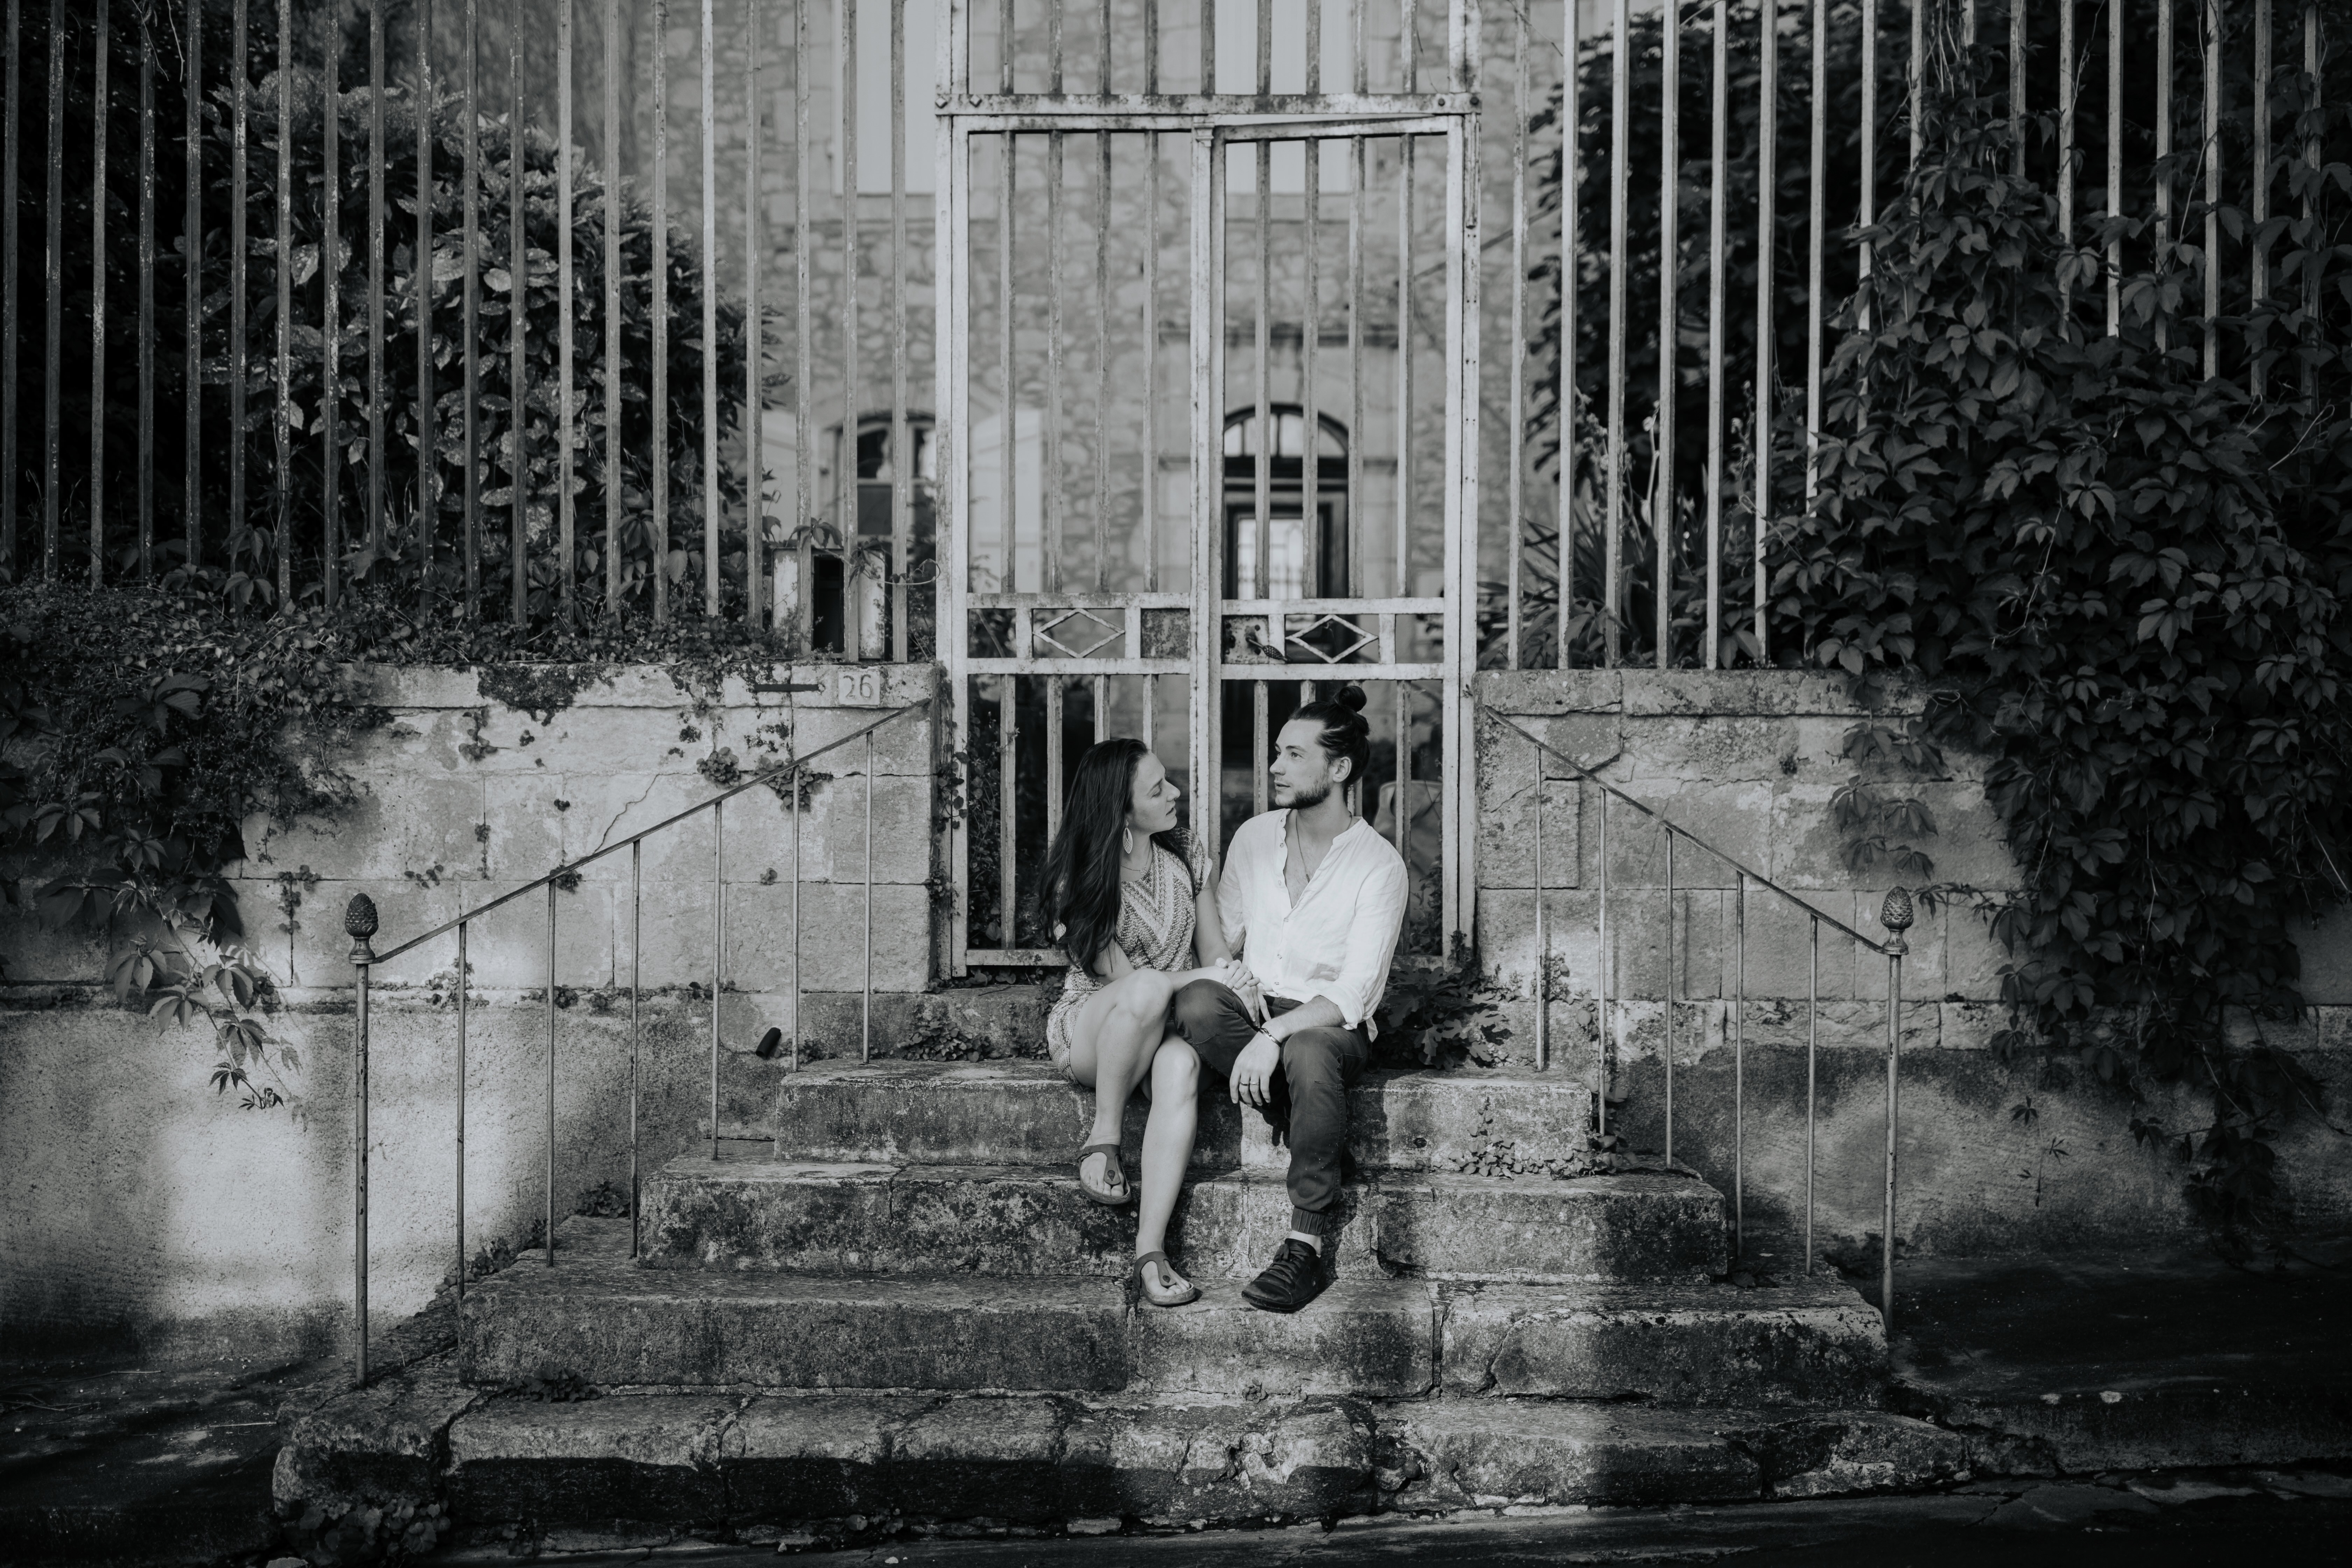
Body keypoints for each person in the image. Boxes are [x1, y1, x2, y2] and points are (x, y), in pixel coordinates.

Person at [1168, 685, 1409, 1314]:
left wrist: (1272, 1036)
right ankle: (1316, 1126)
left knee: (1307, 1051)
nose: (1275, 766)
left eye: (1294, 756)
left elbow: (1355, 993)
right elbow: (1224, 943)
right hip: (1253, 1009)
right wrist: (1238, 995)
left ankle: (1305, 1248)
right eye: (1278, 752)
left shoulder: (1379, 866)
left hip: (1328, 1027)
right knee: (1196, 1003)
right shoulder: (1254, 837)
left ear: (1339, 769)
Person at [1040, 738, 1246, 1309]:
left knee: (1180, 1067)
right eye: (1158, 790)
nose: (1175, 793)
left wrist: (1231, 975)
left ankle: (1150, 1252)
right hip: (1098, 1029)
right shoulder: (1080, 877)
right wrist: (1210, 977)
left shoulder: (1186, 853)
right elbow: (1131, 986)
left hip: (1168, 1027)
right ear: (1121, 812)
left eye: (1168, 780)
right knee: (1150, 986)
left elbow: (1213, 951)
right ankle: (1103, 1138)